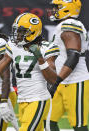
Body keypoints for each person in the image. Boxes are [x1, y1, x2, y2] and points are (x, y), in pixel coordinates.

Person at [0, 12, 60, 131]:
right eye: (16, 30)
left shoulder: (47, 48)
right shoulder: (13, 46)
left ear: (33, 32)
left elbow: (53, 79)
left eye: (22, 31)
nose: (17, 34)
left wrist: (40, 59)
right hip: (22, 100)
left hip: (39, 99)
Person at [47, 0, 89, 130]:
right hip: (60, 81)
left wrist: (56, 81)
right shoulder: (63, 25)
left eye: (57, 7)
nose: (54, 10)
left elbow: (73, 56)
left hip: (75, 82)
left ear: (67, 8)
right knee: (48, 121)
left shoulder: (70, 24)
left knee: (78, 125)